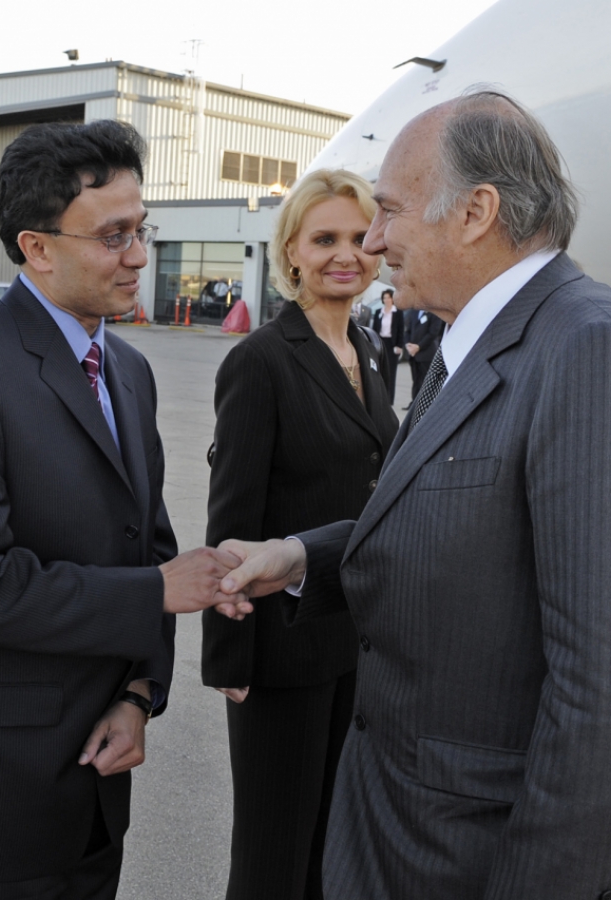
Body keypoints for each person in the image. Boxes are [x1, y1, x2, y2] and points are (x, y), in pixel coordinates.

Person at [217, 90, 611, 898]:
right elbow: (467, 526)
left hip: (489, 854)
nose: (375, 240)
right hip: (417, 835)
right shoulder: (481, 343)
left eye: (390, 212)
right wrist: (304, 555)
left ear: (476, 211)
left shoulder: (594, 356)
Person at [0, 119, 250, 900]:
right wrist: (156, 593)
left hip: (93, 775)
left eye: (142, 229)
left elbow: (146, 546)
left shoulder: (126, 370)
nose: (139, 254)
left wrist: (138, 694)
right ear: (37, 247)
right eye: (115, 235)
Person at [202, 169, 398, 900]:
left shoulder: (371, 354)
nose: (345, 254)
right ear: (291, 253)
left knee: (332, 841)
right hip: (280, 648)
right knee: (273, 853)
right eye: (324, 239)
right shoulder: (261, 361)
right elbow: (232, 520)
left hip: (356, 638)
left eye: (357, 237)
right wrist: (231, 655)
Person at [401, 303, 443, 398]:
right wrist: (408, 345)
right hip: (413, 354)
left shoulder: (434, 313)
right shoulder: (415, 312)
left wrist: (418, 346)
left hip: (426, 354)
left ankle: (424, 404)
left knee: (425, 381)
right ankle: (413, 404)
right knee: (415, 380)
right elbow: (408, 330)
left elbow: (433, 333)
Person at [371, 288, 404, 397]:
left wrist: (399, 345)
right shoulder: (378, 312)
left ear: (392, 299)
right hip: (380, 342)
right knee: (378, 369)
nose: (386, 300)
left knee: (391, 371)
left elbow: (400, 330)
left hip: (392, 344)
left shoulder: (397, 313)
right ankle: (379, 395)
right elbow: (374, 329)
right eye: (384, 298)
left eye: (388, 297)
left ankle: (389, 398)